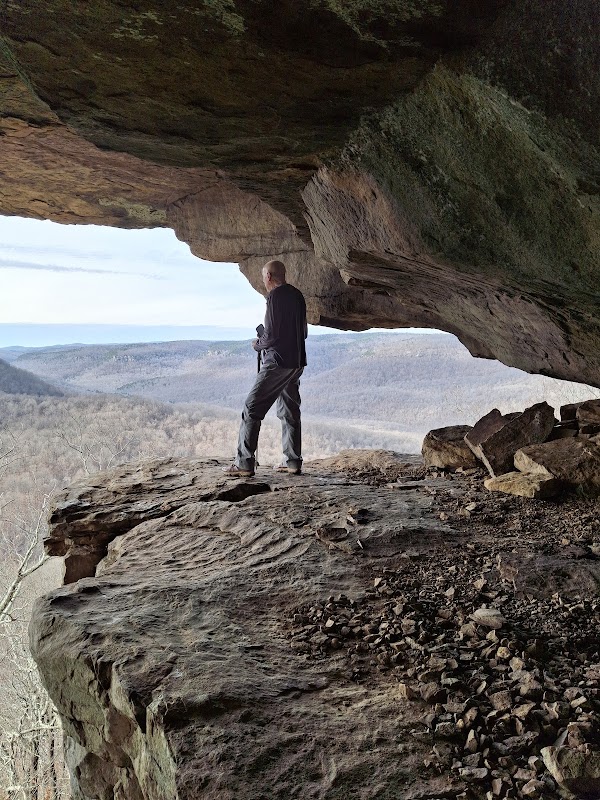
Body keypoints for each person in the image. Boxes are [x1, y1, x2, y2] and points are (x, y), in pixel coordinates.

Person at [223, 260, 307, 477]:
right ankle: (293, 462)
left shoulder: (275, 297)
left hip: (277, 362)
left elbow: (270, 335)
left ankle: (244, 463)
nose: (263, 281)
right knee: (289, 410)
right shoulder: (297, 296)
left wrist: (257, 344)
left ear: (268, 277)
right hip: (296, 362)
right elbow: (303, 332)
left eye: (263, 277)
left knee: (252, 408)